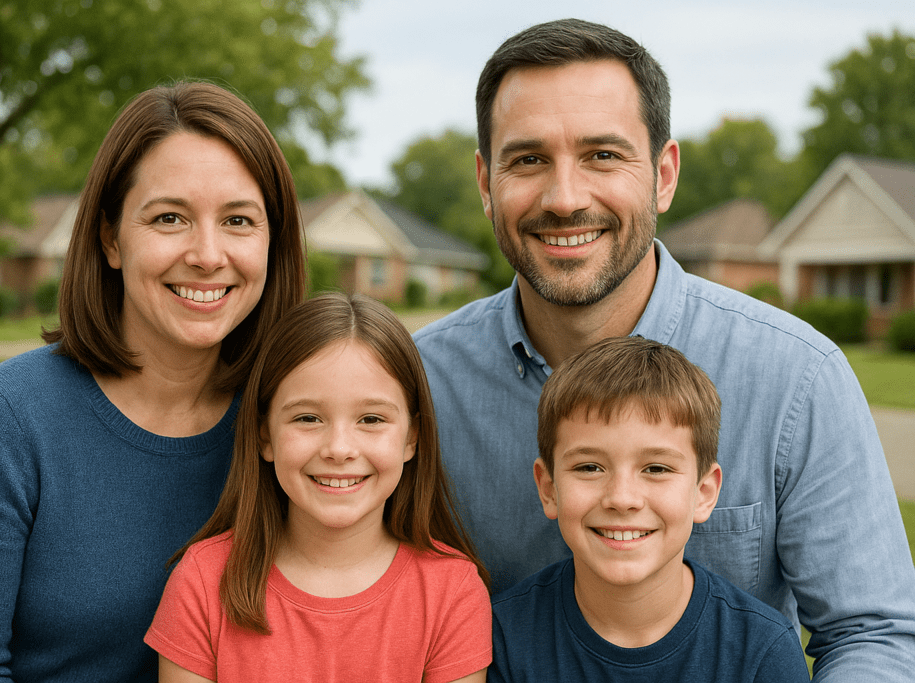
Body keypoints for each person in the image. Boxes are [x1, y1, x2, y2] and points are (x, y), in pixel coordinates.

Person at [413, 17, 915, 681]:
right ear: (485, 182)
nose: (565, 198)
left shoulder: (796, 377)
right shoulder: (416, 388)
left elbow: (874, 633)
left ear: (664, 174)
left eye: (603, 155)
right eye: (528, 159)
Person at [0, 81, 306, 682]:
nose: (207, 254)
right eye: (169, 218)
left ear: (273, 242)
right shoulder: (5, 422)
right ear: (111, 238)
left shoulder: (295, 425)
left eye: (239, 220)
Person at [144, 293, 492, 683]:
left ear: (412, 437)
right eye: (308, 418)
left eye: (371, 419)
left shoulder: (454, 593)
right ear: (264, 435)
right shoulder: (202, 582)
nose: (339, 449)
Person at [488, 336, 810, 682]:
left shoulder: (762, 650)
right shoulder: (502, 638)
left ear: (703, 493)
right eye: (589, 467)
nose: (622, 498)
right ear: (549, 488)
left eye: (656, 468)